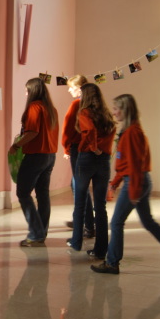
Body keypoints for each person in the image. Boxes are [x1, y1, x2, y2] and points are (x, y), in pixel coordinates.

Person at [91, 94, 160, 274]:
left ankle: (112, 263)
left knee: (116, 222)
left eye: (116, 109)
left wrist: (134, 191)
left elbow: (135, 165)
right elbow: (125, 162)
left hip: (136, 182)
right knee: (148, 221)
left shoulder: (132, 133)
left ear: (125, 110)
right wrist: (115, 182)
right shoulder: (130, 131)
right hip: (137, 181)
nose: (114, 112)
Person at [66, 83, 115, 258]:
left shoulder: (84, 112)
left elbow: (89, 131)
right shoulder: (106, 114)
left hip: (87, 158)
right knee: (100, 206)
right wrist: (102, 150)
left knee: (80, 203)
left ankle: (76, 241)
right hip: (104, 160)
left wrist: (94, 148)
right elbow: (111, 132)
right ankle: (101, 249)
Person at [9, 78, 59, 247]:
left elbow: (32, 132)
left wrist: (16, 145)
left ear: (32, 91)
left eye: (26, 90)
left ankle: (36, 233)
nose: (25, 94)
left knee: (23, 193)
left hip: (36, 155)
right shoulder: (51, 109)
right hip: (50, 155)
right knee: (43, 194)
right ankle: (41, 232)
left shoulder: (34, 107)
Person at [61, 74, 94, 238]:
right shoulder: (93, 104)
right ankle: (83, 220)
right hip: (88, 149)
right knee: (78, 184)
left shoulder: (76, 104)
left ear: (79, 89)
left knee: (79, 185)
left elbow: (67, 128)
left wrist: (66, 148)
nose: (69, 90)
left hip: (77, 148)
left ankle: (86, 223)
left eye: (71, 87)